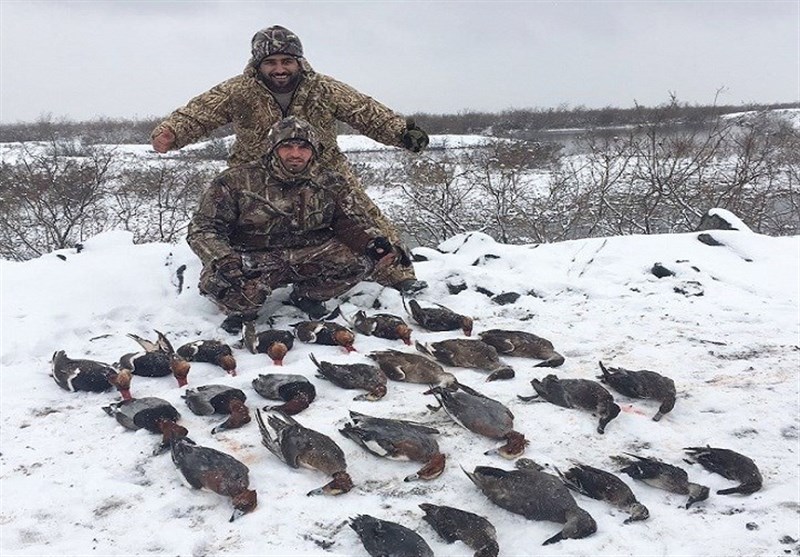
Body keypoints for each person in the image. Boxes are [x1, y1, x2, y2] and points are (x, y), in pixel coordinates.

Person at [152, 24, 429, 294]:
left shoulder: (324, 88)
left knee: (369, 222)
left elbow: (365, 112)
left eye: (287, 61)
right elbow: (199, 113)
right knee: (229, 228)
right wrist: (171, 133)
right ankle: (234, 280)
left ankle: (398, 275)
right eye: (270, 62)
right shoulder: (238, 91)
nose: (280, 69)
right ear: (257, 64)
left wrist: (402, 132)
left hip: (323, 171)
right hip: (254, 175)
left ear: (299, 61)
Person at [187, 117, 405, 334]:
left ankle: (307, 295)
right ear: (273, 149)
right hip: (252, 257)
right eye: (287, 146)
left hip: (309, 253)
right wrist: (225, 260)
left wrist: (374, 243)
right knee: (232, 289)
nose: (295, 154)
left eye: (303, 147)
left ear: (313, 151)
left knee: (362, 260)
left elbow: (349, 222)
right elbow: (203, 228)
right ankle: (244, 310)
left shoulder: (331, 181)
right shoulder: (235, 181)